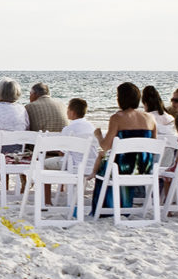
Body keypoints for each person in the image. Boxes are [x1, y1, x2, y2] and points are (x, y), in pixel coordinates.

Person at [91, 82, 157, 214]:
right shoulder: (150, 117)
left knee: (103, 167)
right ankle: (123, 206)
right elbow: (154, 143)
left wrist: (98, 136)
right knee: (111, 164)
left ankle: (107, 209)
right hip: (145, 167)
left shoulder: (117, 118)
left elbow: (105, 146)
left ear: (121, 98)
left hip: (123, 168)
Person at [43, 99, 99, 204]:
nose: (67, 112)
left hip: (74, 165)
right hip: (91, 164)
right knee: (65, 159)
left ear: (72, 112)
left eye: (68, 109)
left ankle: (47, 201)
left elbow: (62, 152)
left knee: (44, 164)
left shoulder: (69, 129)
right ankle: (61, 190)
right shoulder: (91, 127)